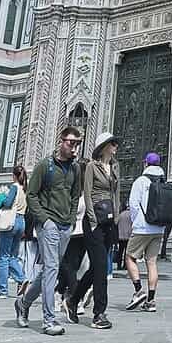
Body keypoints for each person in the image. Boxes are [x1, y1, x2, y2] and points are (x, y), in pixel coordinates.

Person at [15, 126, 83, 335]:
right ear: (61, 141)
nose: (74, 148)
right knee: (52, 268)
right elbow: (31, 195)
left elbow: (74, 195)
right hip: (48, 224)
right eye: (71, 143)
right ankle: (49, 320)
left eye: (77, 144)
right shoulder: (45, 166)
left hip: (65, 225)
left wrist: (71, 219)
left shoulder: (75, 169)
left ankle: (23, 303)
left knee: (48, 270)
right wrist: (44, 220)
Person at [64, 133, 119, 330]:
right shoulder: (91, 167)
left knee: (97, 267)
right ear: (103, 146)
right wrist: (93, 220)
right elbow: (87, 194)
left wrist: (117, 218)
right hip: (93, 221)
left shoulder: (114, 167)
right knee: (101, 268)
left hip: (109, 221)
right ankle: (99, 313)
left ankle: (73, 299)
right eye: (112, 143)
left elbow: (116, 194)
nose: (115, 147)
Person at [125, 151, 166, 313]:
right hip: (159, 228)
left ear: (145, 164)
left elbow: (134, 205)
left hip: (143, 227)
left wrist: (136, 223)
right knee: (152, 263)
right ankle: (151, 301)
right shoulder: (164, 181)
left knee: (129, 257)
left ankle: (138, 291)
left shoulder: (140, 181)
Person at [0, 164, 28, 298]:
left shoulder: (14, 187)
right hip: (21, 221)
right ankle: (22, 279)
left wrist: (2, 196)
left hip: (10, 221)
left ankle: (2, 290)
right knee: (12, 256)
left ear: (14, 175)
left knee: (4, 257)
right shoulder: (25, 189)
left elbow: (7, 203)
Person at [57, 175, 86, 311]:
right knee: (70, 267)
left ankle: (76, 299)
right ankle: (60, 294)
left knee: (68, 267)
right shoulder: (88, 193)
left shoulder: (74, 195)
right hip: (83, 233)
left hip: (72, 233)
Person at [116, 205, 132, 269]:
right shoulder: (131, 215)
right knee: (127, 252)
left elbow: (116, 222)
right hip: (128, 236)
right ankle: (125, 265)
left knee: (120, 251)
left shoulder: (120, 215)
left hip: (120, 236)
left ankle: (119, 265)